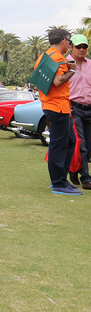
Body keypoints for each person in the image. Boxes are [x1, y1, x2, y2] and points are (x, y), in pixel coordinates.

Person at [39, 28, 79, 195]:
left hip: (55, 105)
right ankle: (58, 183)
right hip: (57, 106)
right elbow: (57, 81)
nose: (70, 45)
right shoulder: (56, 57)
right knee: (59, 144)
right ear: (64, 41)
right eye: (69, 42)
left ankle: (60, 178)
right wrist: (72, 70)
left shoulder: (45, 56)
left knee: (69, 141)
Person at [68, 34, 91, 190]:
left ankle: (74, 168)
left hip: (89, 108)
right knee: (81, 143)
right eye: (79, 47)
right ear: (71, 47)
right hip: (74, 108)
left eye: (85, 46)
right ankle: (86, 178)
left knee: (89, 145)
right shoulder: (65, 64)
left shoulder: (90, 65)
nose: (82, 49)